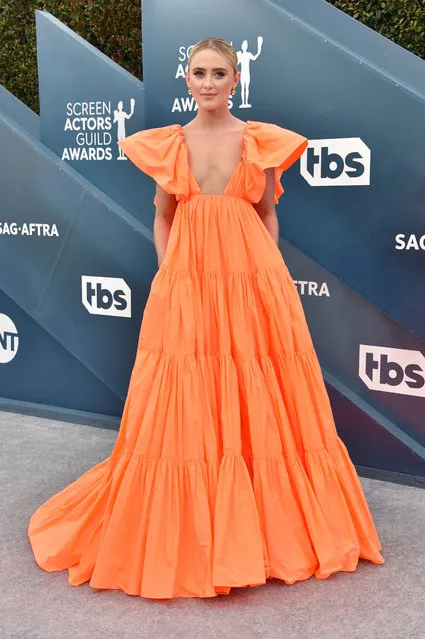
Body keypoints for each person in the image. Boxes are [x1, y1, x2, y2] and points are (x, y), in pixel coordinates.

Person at [28, 37, 384, 600]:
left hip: (254, 283)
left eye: (220, 72)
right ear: (187, 79)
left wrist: (267, 276)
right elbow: (165, 217)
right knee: (191, 392)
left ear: (236, 79)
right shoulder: (171, 146)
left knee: (259, 393)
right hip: (188, 283)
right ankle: (203, 528)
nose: (210, 81)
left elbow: (266, 214)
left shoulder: (259, 141)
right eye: (200, 72)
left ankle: (266, 529)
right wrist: (171, 274)